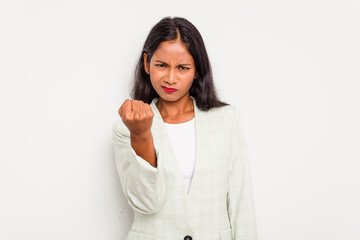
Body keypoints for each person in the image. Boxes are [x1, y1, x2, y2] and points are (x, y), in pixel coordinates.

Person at [112, 16, 258, 240]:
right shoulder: (126, 128)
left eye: (182, 67)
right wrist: (140, 134)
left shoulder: (227, 120)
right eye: (161, 65)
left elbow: (242, 204)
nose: (170, 78)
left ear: (197, 70)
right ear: (146, 63)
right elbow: (146, 203)